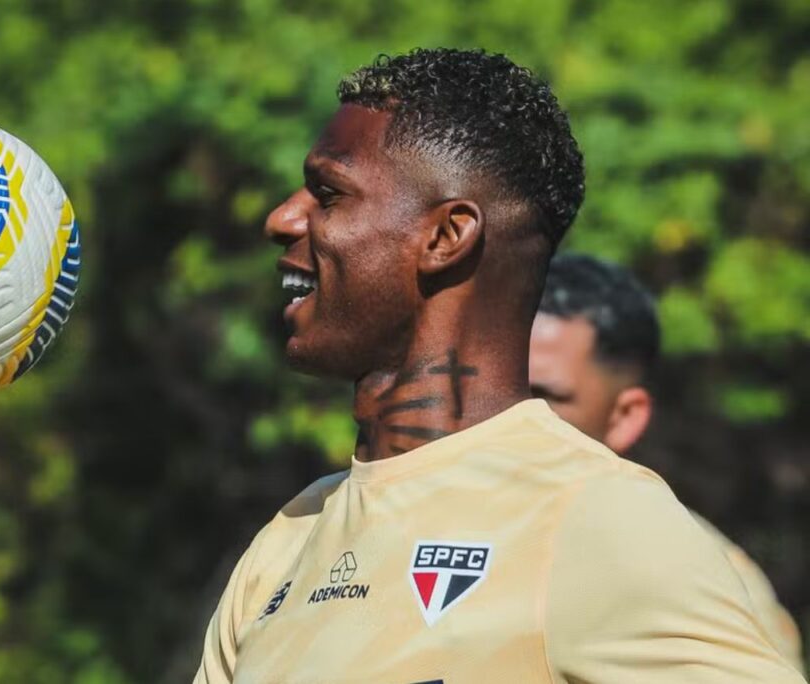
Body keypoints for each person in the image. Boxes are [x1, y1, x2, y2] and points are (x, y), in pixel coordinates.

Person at [194, 47, 805, 683]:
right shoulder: (288, 539)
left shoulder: (592, 516)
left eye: (328, 194)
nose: (283, 218)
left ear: (445, 238)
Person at [529, 251, 805, 673]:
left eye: (542, 397)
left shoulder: (690, 569)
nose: (503, 413)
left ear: (625, 417)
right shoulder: (421, 509)